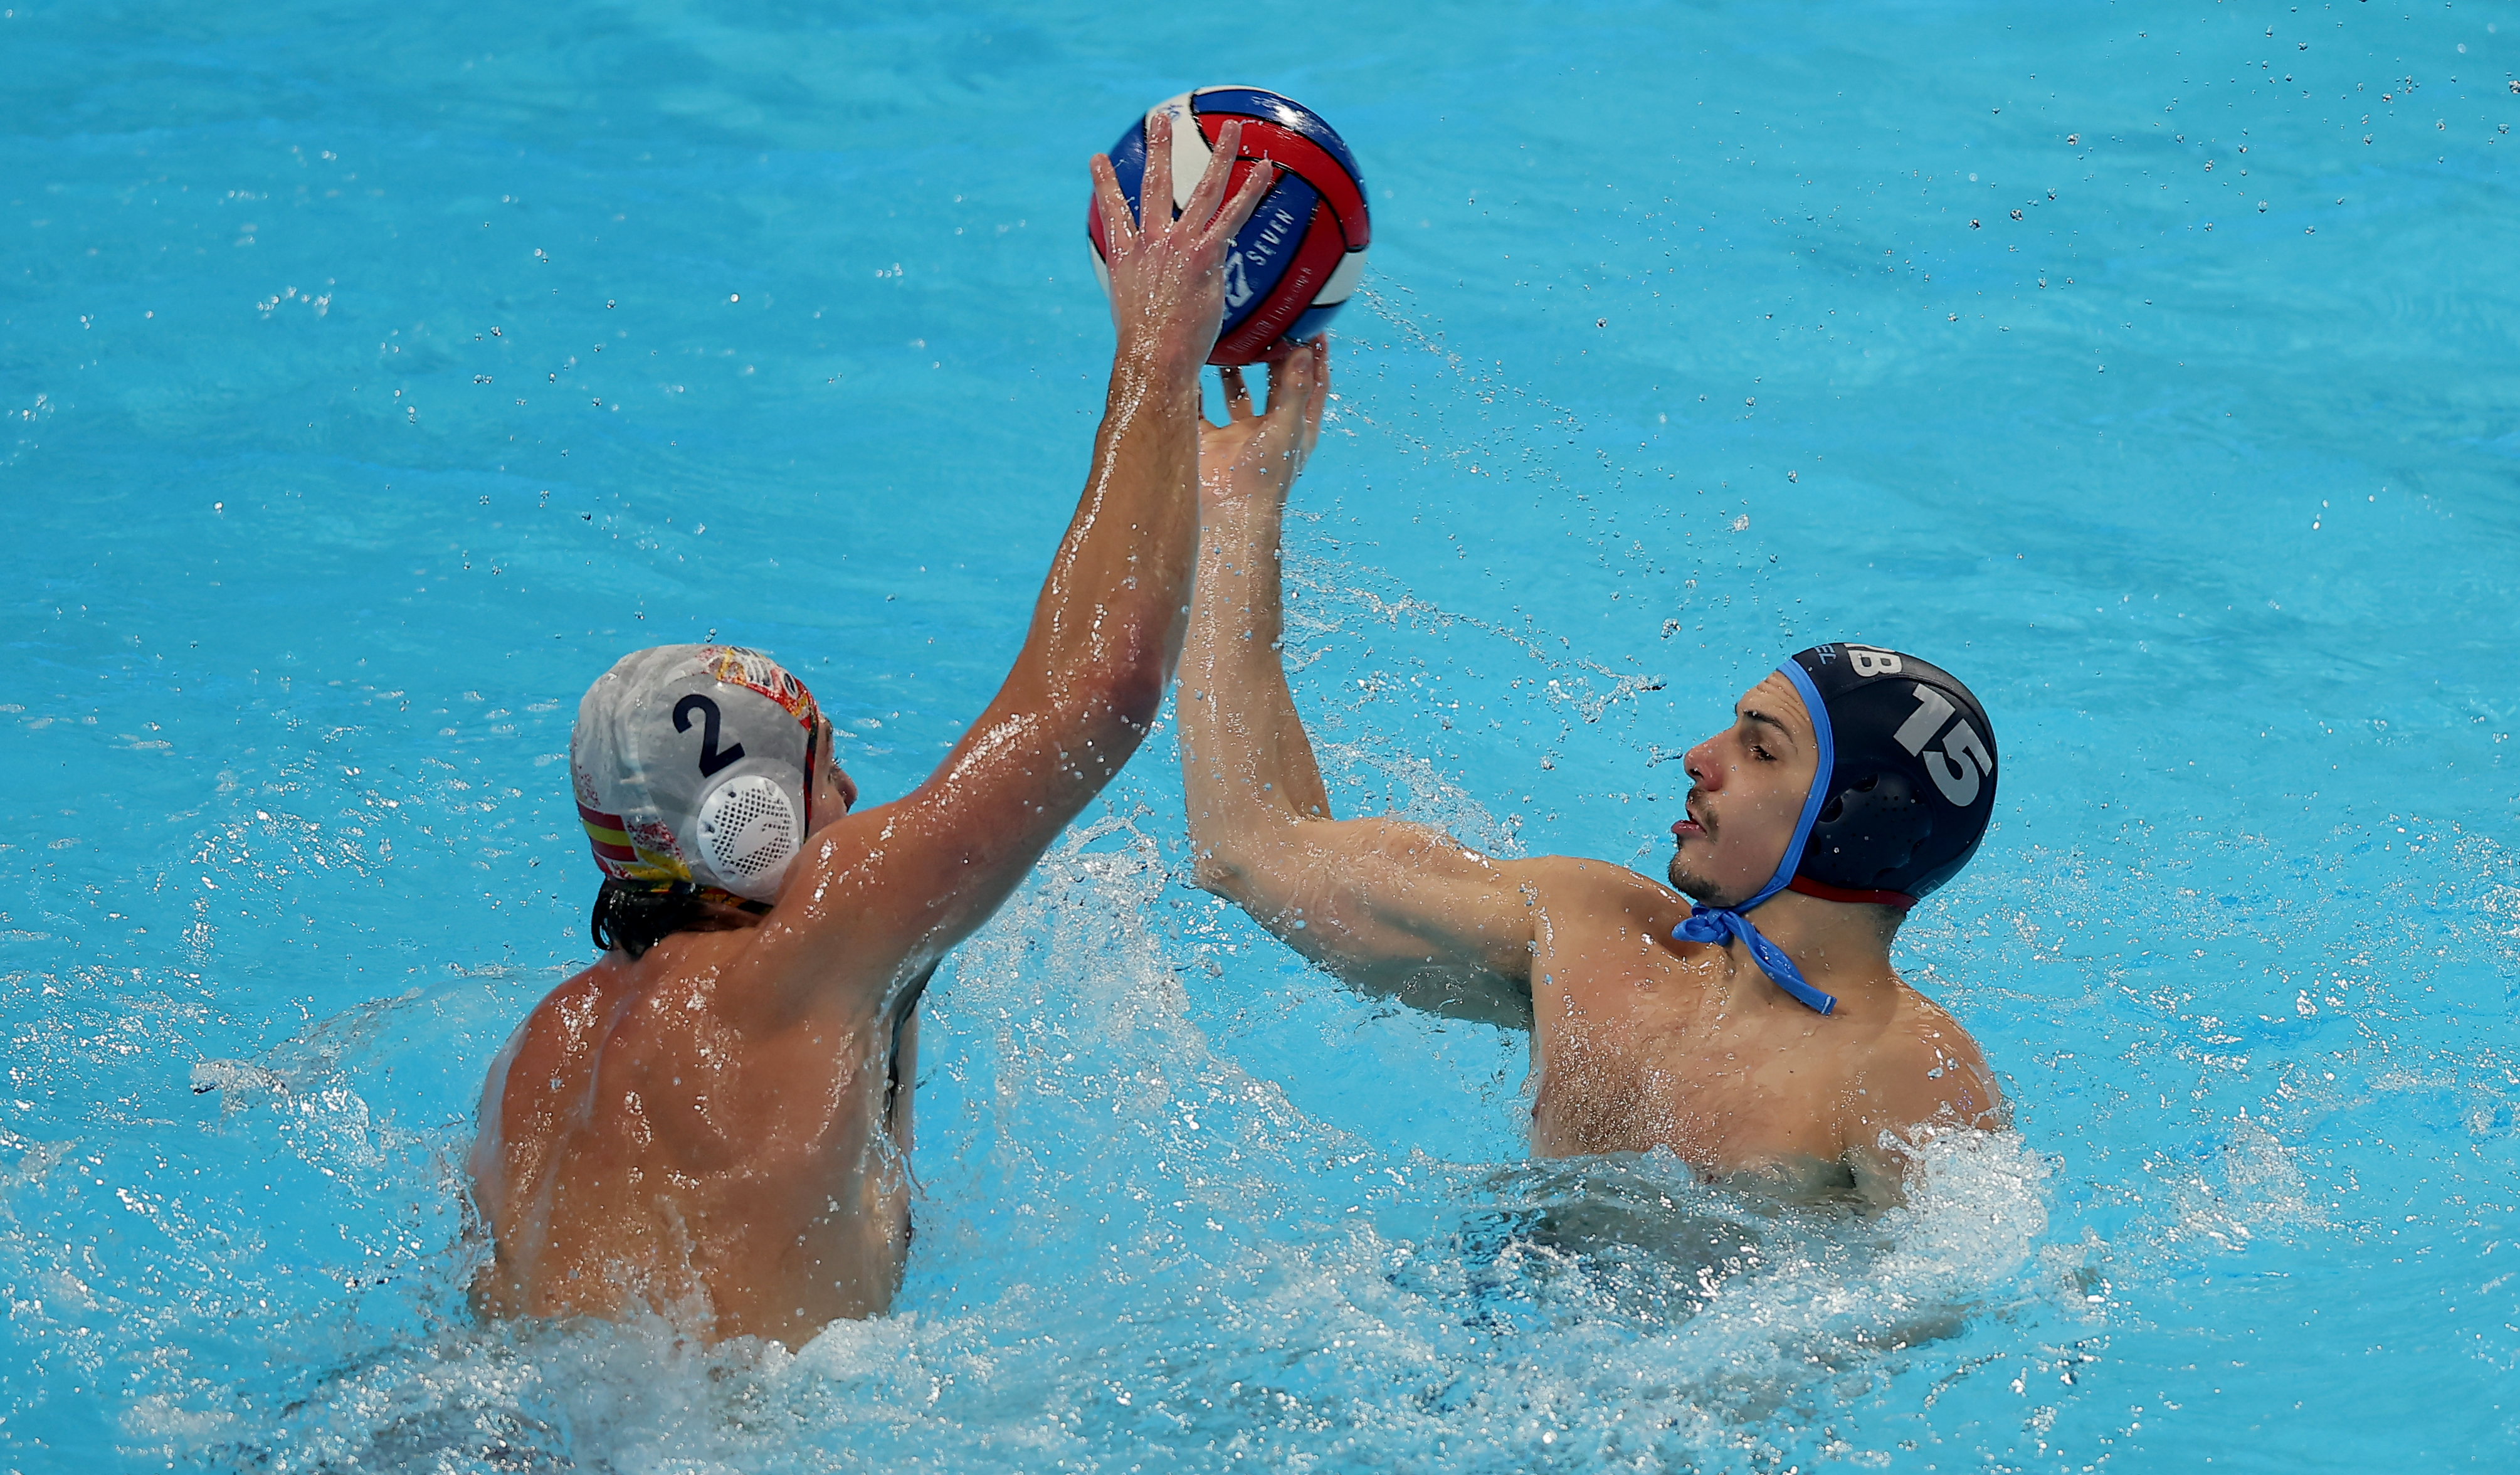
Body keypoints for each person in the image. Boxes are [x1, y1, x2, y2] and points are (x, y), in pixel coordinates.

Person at [467, 115, 1271, 1347]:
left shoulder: (540, 1055)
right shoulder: (807, 947)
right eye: (821, 763)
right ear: (750, 822)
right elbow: (1096, 696)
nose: (855, 786)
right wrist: (1157, 353)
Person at [1177, 342, 2008, 1203]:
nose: (1699, 757)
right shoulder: (1587, 932)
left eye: (1760, 749)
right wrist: (1238, 514)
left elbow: (1937, 1314)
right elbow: (1248, 846)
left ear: (1846, 822)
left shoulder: (1908, 1076)